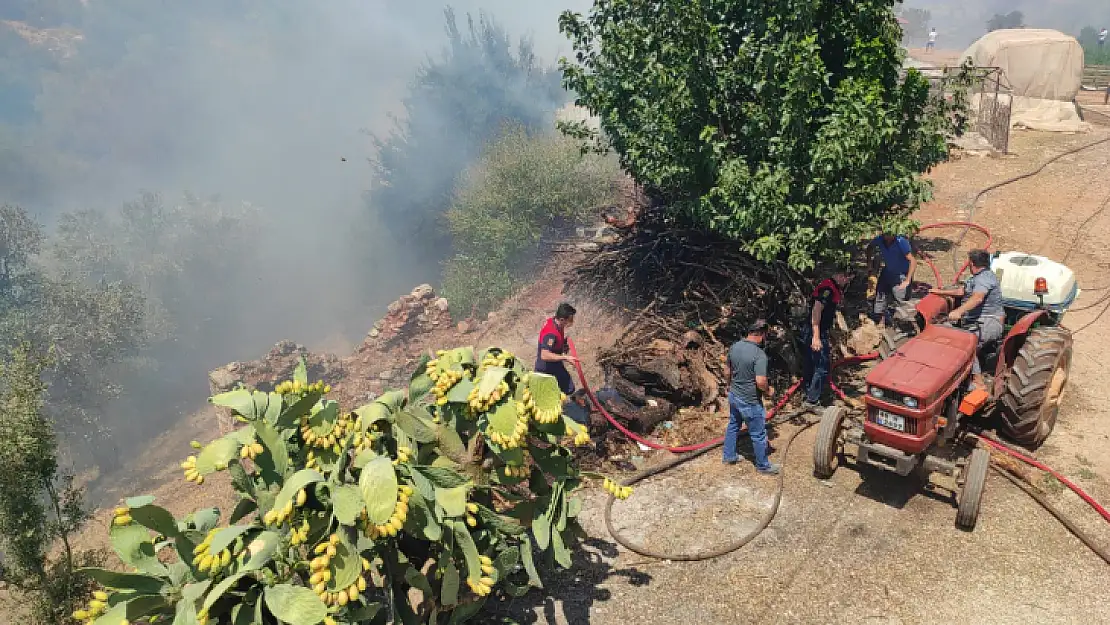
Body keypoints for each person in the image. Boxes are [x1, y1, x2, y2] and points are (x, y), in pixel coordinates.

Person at [929, 249, 1005, 390]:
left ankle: (978, 382)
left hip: (989, 321)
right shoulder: (974, 278)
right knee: (944, 331)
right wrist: (939, 292)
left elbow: (977, 297)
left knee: (967, 344)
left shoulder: (984, 278)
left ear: (971, 263)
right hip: (974, 322)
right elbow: (961, 292)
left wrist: (959, 311)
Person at [723, 319, 779, 475]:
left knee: (733, 425)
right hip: (750, 400)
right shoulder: (759, 354)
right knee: (758, 433)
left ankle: (729, 456)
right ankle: (763, 466)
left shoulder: (734, 347)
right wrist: (769, 391)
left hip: (734, 395)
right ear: (761, 335)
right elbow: (760, 381)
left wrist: (728, 385)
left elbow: (727, 371)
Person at [799, 271, 851, 408]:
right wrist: (816, 337)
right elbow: (816, 310)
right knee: (822, 367)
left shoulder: (832, 286)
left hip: (813, 330)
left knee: (810, 364)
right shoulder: (828, 289)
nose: (847, 282)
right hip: (814, 332)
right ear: (840, 276)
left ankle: (808, 393)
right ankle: (812, 401)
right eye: (846, 279)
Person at [866, 231, 917, 325]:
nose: (888, 237)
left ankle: (906, 325)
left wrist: (907, 280)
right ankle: (881, 323)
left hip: (901, 274)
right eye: (886, 234)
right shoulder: (880, 239)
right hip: (888, 271)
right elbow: (870, 247)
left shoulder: (901, 242)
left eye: (890, 234)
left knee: (901, 300)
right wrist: (869, 264)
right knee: (880, 296)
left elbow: (913, 261)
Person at [535, 302, 578, 395]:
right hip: (546, 369)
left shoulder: (556, 323)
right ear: (562, 319)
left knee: (569, 388)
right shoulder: (550, 333)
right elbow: (544, 355)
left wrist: (562, 345)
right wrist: (565, 358)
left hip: (555, 364)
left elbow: (553, 344)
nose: (572, 322)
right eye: (570, 320)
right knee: (556, 393)